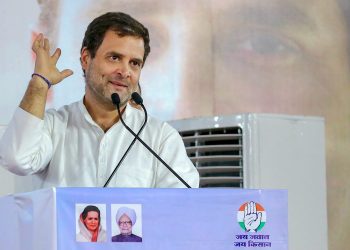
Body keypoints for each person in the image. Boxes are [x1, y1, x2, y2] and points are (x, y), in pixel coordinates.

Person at [0, 12, 199, 189]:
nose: (125, 71)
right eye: (114, 58)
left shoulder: (160, 138)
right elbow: (17, 159)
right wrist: (39, 85)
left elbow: (182, 205)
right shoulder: (54, 126)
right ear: (86, 59)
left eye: (134, 63)